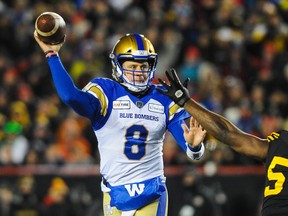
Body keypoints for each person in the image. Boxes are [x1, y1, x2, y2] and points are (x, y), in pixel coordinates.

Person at [34, 31, 207, 216]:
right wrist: (52, 56)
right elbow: (70, 97)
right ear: (118, 66)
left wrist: (195, 147)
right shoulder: (106, 91)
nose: (139, 72)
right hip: (113, 191)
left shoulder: (164, 97)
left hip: (150, 191)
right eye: (133, 66)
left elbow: (193, 153)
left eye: (144, 66)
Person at [157, 68, 288, 216]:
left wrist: (185, 102)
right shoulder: (280, 143)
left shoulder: (280, 143)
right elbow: (226, 133)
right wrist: (185, 101)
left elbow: (227, 133)